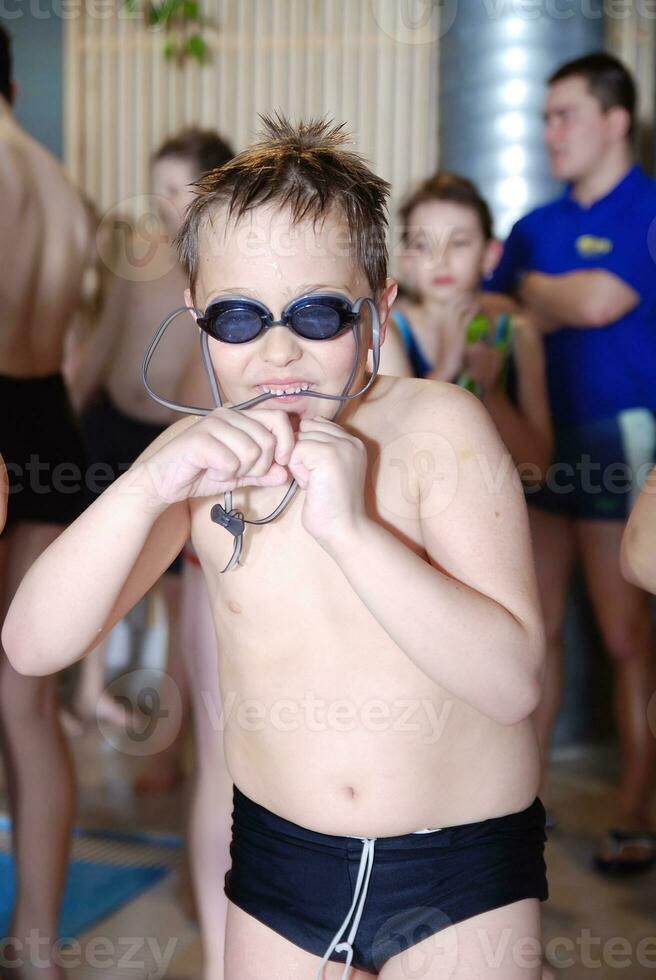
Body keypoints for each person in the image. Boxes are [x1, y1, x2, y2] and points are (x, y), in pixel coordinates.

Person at [5, 115, 548, 979]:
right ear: (196, 317)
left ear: (380, 305)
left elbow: (512, 680)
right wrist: (148, 484)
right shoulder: (201, 463)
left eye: (320, 313)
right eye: (238, 317)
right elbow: (33, 642)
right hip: (280, 871)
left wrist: (354, 530)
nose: (278, 349)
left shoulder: (437, 429)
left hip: (458, 870)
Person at [486, 52, 656, 872]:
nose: (548, 131)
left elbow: (602, 300)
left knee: (625, 635)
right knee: (536, 630)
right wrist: (546, 293)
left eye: (565, 114)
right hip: (538, 438)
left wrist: (534, 295)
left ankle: (637, 808)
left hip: (621, 437)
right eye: (545, 116)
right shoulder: (534, 225)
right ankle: (527, 800)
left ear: (615, 120)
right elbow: (490, 308)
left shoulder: (648, 207)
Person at [71, 128, 234, 795]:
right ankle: (86, 692)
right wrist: (67, 412)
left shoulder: (222, 264)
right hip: (110, 425)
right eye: (157, 186)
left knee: (173, 594)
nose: (163, 202)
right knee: (95, 570)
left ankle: (168, 744)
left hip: (174, 435)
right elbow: (106, 335)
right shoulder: (135, 254)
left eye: (178, 188)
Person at [0, 24, 92, 979]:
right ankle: (36, 947)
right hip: (49, 431)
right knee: (27, 708)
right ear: (16, 82)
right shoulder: (60, 183)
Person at [380, 171, 552, 484]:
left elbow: (537, 468)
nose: (440, 261)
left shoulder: (519, 333)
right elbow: (396, 451)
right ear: (406, 260)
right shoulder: (389, 331)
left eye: (458, 243)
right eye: (423, 245)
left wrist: (491, 391)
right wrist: (445, 368)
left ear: (490, 255)